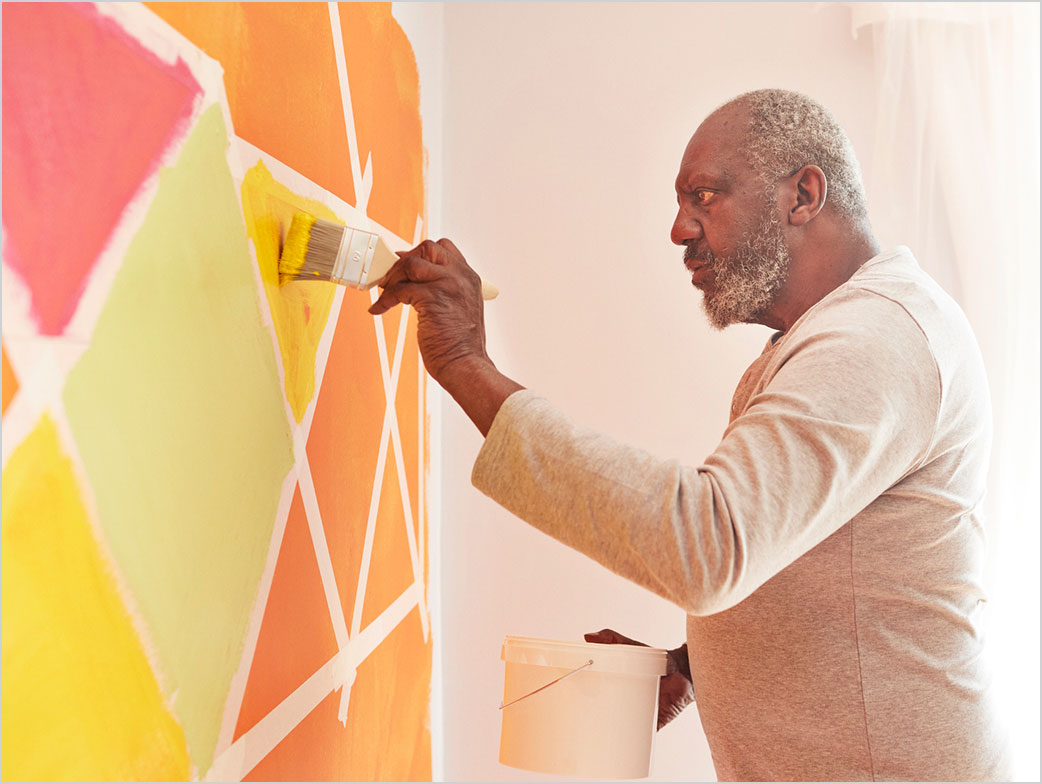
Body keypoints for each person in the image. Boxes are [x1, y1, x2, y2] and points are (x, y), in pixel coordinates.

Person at [368, 89, 1010, 781]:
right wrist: (691, 662)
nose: (678, 229)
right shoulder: (835, 336)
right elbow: (811, 552)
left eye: (704, 196)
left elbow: (710, 543)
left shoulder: (872, 342)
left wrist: (466, 367)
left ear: (804, 195)